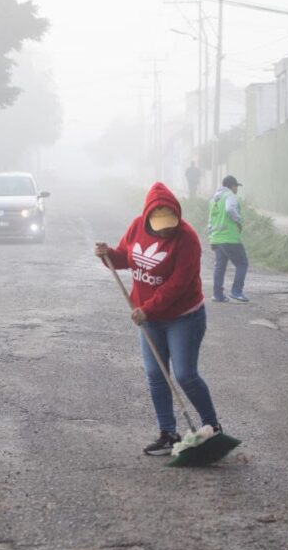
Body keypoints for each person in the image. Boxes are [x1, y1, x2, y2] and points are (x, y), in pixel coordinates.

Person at [94, 182, 222, 456]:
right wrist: (108, 256)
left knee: (185, 375)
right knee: (156, 374)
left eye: (170, 223)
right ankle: (167, 433)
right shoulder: (137, 226)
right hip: (149, 319)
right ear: (149, 217)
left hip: (183, 317)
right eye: (160, 223)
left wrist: (147, 309)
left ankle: (213, 428)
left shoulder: (187, 239)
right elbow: (126, 258)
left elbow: (177, 285)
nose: (165, 229)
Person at [207, 175, 249, 302]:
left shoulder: (214, 199)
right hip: (230, 238)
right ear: (231, 186)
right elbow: (230, 209)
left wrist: (211, 237)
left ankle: (217, 295)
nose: (237, 189)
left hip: (216, 238)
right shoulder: (230, 195)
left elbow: (210, 221)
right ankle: (236, 292)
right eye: (236, 186)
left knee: (220, 266)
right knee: (242, 264)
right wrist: (239, 221)